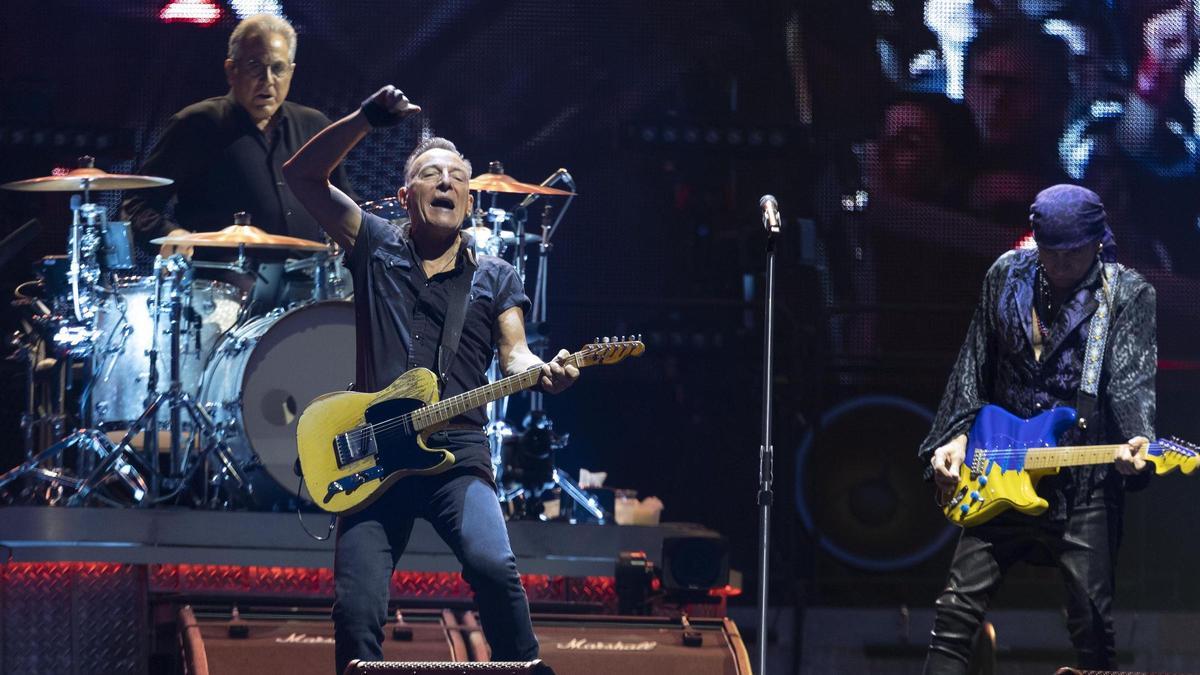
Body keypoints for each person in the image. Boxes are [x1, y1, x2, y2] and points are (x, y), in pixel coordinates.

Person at [282, 85, 578, 674]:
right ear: (404, 194)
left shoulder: (495, 276)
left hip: (459, 454)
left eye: (456, 177)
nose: (446, 182)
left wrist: (544, 374)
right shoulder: (374, 244)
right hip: (372, 459)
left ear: (468, 198)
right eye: (431, 173)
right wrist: (367, 120)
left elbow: (515, 355)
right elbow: (303, 176)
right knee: (356, 607)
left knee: (494, 566)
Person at [918, 184, 1157, 673]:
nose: (1060, 265)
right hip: (997, 467)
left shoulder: (1127, 294)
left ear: (1097, 242)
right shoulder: (1006, 275)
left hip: (1080, 482)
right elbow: (974, 366)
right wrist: (955, 437)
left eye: (1072, 254)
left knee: (1091, 625)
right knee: (954, 613)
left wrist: (1138, 439)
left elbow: (1131, 380)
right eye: (1050, 252)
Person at [120, 14, 356, 255]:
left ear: (291, 72)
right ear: (231, 70)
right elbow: (137, 205)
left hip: (307, 283)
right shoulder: (195, 125)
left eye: (278, 68)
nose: (268, 80)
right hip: (219, 285)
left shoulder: (314, 126)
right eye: (255, 66)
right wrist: (172, 236)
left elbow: (344, 207)